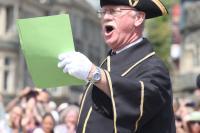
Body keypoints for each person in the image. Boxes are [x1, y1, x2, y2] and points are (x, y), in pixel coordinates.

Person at [57, 0, 176, 132]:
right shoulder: (108, 63)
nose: (106, 17)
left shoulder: (153, 66)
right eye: (103, 12)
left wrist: (94, 74)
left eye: (113, 11)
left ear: (138, 18)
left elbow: (142, 98)